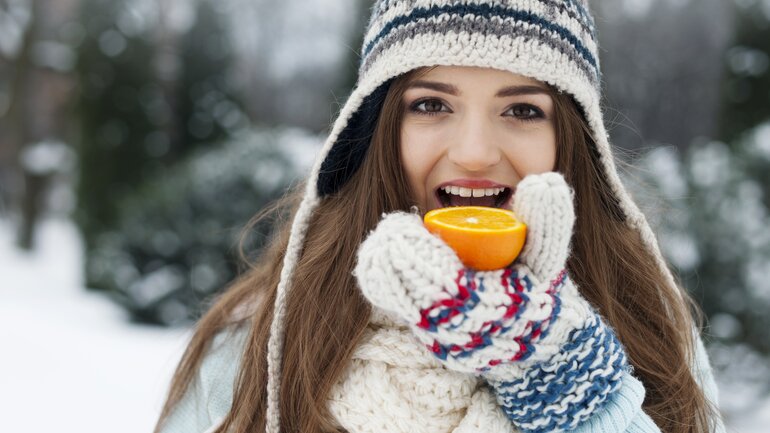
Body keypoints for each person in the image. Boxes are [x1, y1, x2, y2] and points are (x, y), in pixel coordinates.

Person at [154, 1, 725, 432]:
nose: (475, 152)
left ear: (572, 143)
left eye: (522, 110)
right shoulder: (259, 347)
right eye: (431, 105)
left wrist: (571, 383)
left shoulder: (648, 327)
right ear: (377, 130)